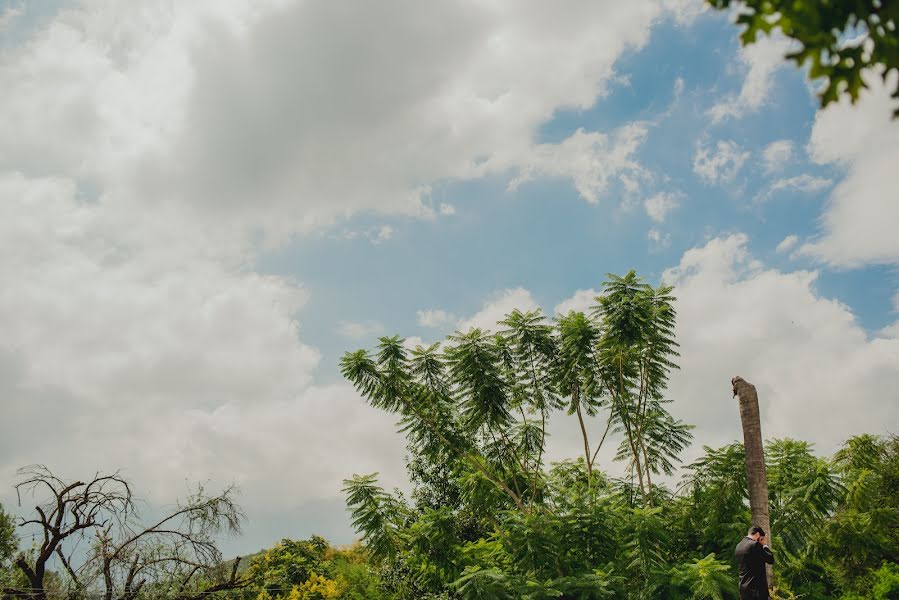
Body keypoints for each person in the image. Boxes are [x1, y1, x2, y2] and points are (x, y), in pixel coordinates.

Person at [734, 525, 775, 599]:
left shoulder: (738, 546)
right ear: (757, 534)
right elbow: (770, 559)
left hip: (743, 590)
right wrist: (765, 545)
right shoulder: (754, 545)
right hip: (756, 591)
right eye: (761, 538)